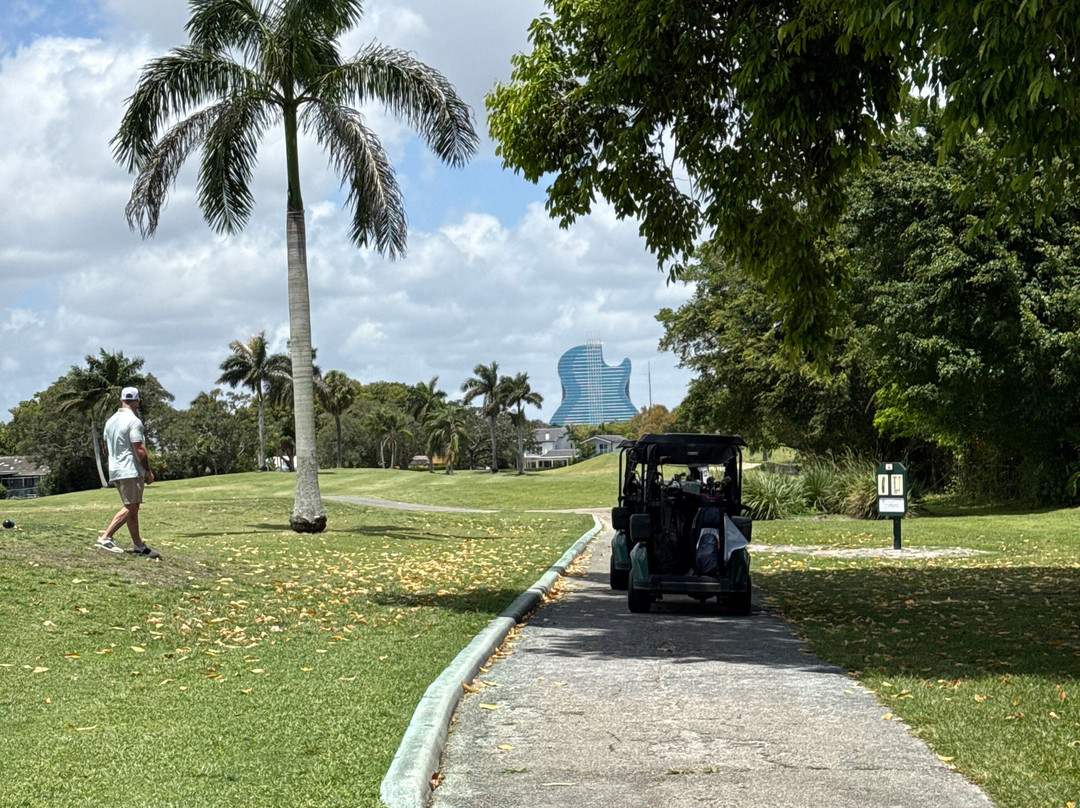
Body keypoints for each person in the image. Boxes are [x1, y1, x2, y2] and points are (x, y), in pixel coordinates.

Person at [96, 386, 160, 558]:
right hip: (130, 469)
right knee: (131, 506)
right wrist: (148, 471)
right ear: (138, 401)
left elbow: (106, 444)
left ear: (121, 400)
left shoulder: (110, 421)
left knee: (132, 506)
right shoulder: (134, 422)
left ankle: (138, 545)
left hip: (115, 470)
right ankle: (106, 537)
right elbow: (139, 448)